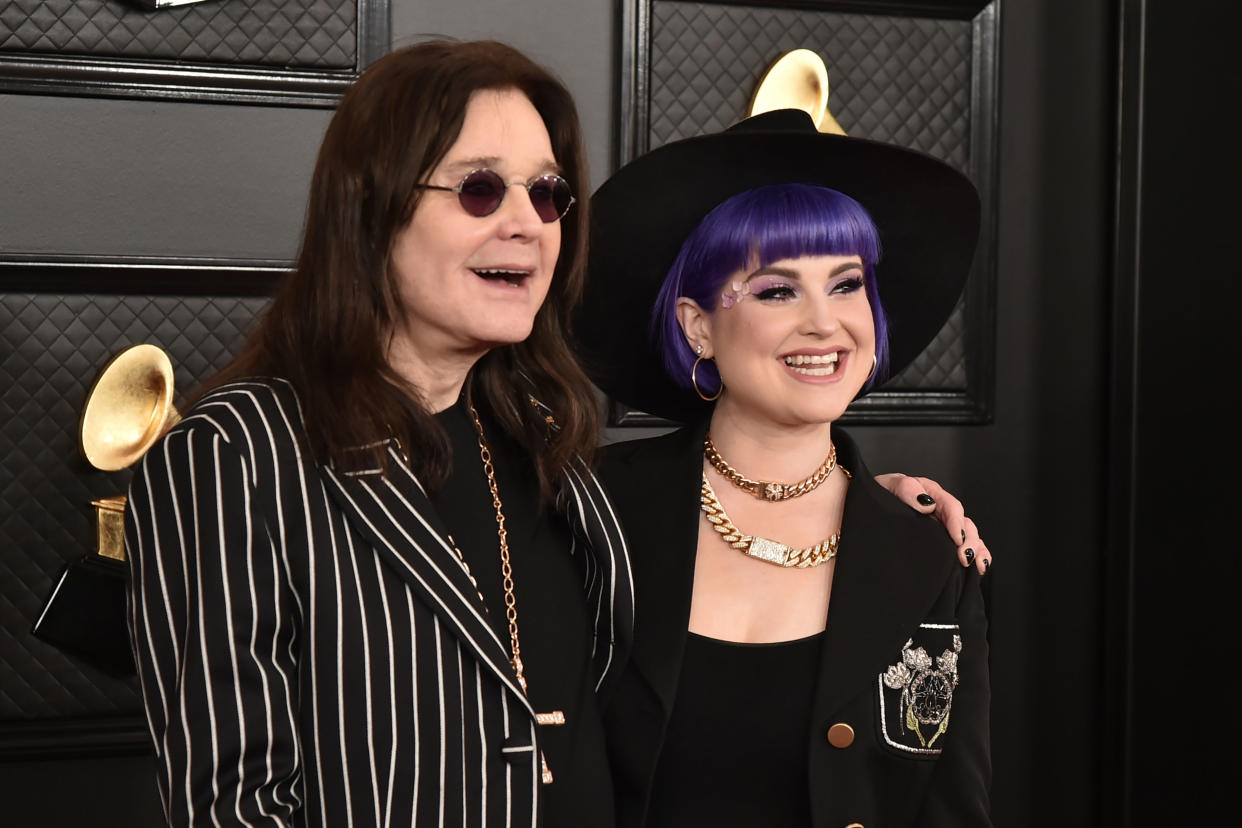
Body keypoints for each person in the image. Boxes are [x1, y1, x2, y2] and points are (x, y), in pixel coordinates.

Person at [124, 40, 987, 827]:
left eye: (546, 193)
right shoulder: (234, 455)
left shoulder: (551, 457)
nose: (527, 223)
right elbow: (235, 809)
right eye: (478, 188)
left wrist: (864, 515)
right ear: (372, 209)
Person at [578, 109, 992, 827]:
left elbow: (954, 812)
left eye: (846, 284)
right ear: (697, 324)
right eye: (776, 290)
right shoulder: (590, 508)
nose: (825, 324)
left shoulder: (929, 554)